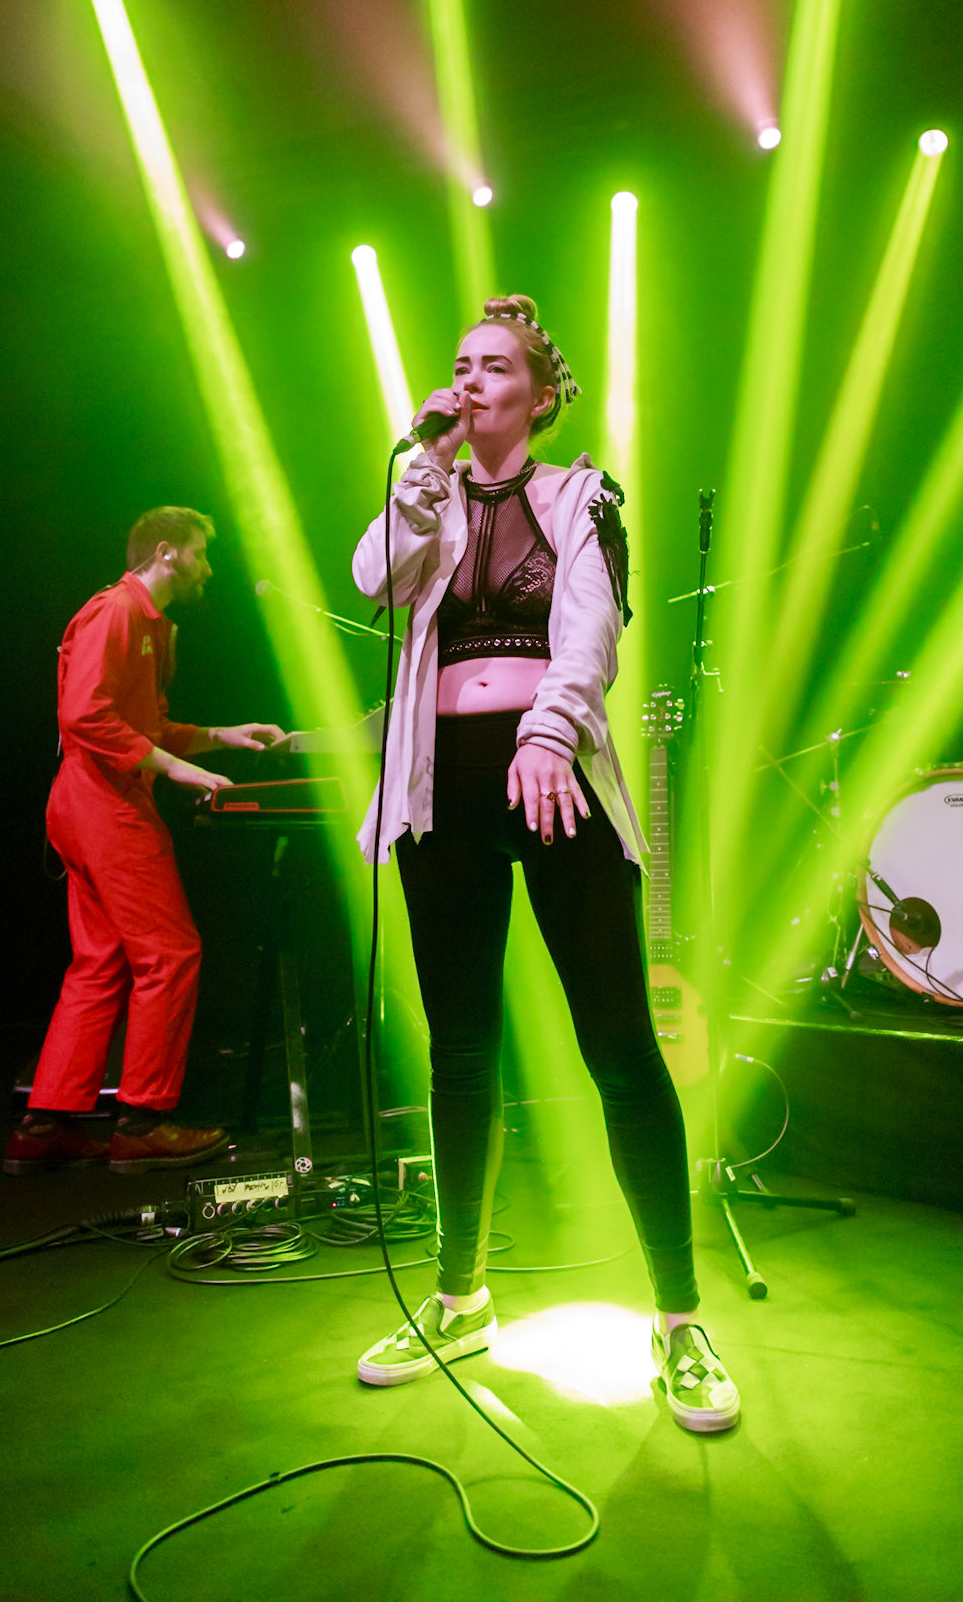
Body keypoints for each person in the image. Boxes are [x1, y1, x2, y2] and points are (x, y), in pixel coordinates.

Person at [349, 295, 739, 1434]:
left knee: (619, 1038)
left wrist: (548, 726)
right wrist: (420, 462)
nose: (471, 382)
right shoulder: (424, 488)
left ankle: (678, 1316)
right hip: (443, 780)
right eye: (459, 366)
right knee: (461, 1042)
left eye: (495, 368)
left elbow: (594, 625)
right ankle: (458, 1292)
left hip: (550, 765)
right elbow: (379, 575)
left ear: (540, 392)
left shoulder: (582, 493)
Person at [5, 507, 287, 1176]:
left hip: (89, 802)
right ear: (166, 553)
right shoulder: (118, 612)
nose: (208, 569)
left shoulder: (153, 627)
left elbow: (147, 724)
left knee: (99, 961)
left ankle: (48, 1126)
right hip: (102, 804)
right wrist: (178, 769)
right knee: (170, 952)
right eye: (200, 554)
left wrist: (219, 737)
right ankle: (142, 1122)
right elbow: (84, 715)